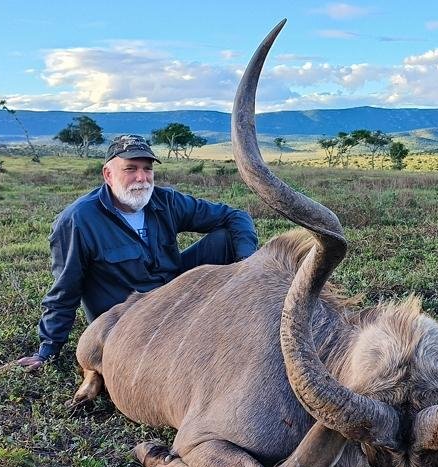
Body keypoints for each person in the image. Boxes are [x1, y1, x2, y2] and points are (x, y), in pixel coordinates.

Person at [18, 134, 258, 371]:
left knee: (225, 238)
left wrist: (247, 264)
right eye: (130, 169)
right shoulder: (78, 220)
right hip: (127, 320)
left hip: (172, 299)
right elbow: (65, 291)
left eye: (147, 169)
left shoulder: (165, 201)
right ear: (108, 174)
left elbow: (236, 215)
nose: (142, 178)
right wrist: (47, 351)